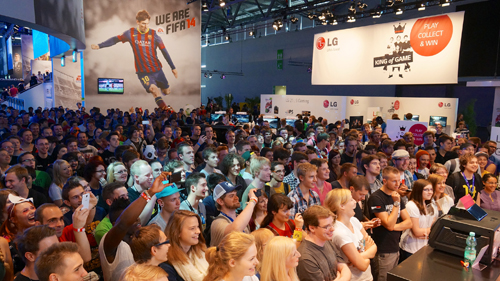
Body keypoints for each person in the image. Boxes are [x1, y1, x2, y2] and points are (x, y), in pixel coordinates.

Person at [91, 10, 177, 110]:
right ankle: (166, 110)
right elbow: (115, 39)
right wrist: (99, 45)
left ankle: (163, 90)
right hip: (143, 73)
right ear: (138, 22)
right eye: (143, 23)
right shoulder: (130, 33)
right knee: (154, 90)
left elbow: (164, 51)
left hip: (157, 71)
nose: (146, 26)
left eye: (148, 24)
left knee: (167, 92)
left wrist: (173, 67)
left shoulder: (154, 35)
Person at [99, 172, 173, 281]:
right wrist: (150, 192)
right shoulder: (109, 245)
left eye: (137, 216)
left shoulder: (138, 239)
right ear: (115, 224)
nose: (137, 219)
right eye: (132, 218)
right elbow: (123, 224)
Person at [366, 166, 412, 281]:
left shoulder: (396, 195)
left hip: (396, 246)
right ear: (384, 181)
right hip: (383, 248)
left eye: (399, 180)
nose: (398, 184)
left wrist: (392, 227)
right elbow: (388, 223)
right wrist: (396, 204)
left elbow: (409, 222)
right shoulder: (376, 198)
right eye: (394, 181)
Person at [325, 189, 376, 281]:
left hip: (367, 277)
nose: (355, 202)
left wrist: (358, 257)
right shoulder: (339, 232)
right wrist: (368, 254)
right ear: (341, 206)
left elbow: (374, 247)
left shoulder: (354, 220)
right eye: (351, 200)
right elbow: (362, 266)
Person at [296, 205, 351, 281]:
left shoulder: (327, 241)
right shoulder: (306, 258)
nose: (332, 229)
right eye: (327, 227)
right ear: (312, 228)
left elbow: (344, 267)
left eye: (332, 224)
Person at [160, 210, 208, 281]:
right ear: (177, 232)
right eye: (192, 228)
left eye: (198, 227)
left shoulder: (202, 251)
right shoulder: (166, 264)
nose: (198, 231)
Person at [399, 179, 437, 262]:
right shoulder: (411, 205)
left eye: (431, 189)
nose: (430, 192)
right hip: (411, 249)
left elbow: (435, 228)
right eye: (426, 190)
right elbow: (416, 232)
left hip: (425, 247)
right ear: (418, 190)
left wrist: (428, 233)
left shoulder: (431, 205)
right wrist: (430, 233)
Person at [210, 181, 258, 247]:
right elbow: (235, 230)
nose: (237, 198)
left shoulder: (239, 218)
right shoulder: (217, 222)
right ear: (220, 201)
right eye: (231, 196)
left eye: (236, 194)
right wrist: (252, 201)